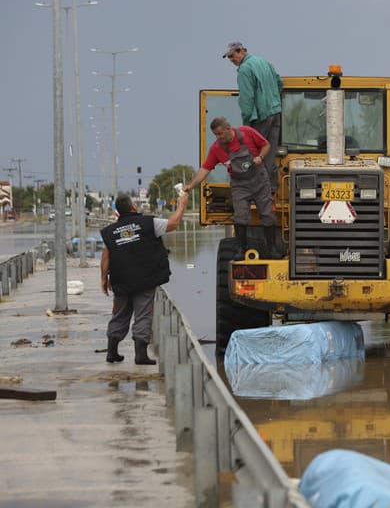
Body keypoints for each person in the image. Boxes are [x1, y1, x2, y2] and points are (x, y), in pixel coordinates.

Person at [100, 192, 189, 365]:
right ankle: (140, 355)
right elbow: (174, 223)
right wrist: (181, 205)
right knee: (143, 315)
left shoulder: (110, 232)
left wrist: (104, 278)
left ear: (118, 211)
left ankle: (112, 352)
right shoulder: (149, 223)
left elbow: (105, 257)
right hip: (145, 279)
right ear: (133, 207)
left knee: (119, 314)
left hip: (121, 280)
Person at [183, 116, 279, 258]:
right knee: (240, 216)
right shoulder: (216, 148)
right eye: (215, 134)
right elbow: (205, 169)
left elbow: (266, 145)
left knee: (267, 214)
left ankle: (272, 250)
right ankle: (241, 250)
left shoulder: (247, 132)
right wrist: (191, 186)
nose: (218, 137)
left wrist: (260, 157)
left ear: (229, 129)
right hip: (239, 185)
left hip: (259, 180)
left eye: (220, 133)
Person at [223, 41, 283, 186]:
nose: (231, 60)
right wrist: (273, 99)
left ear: (241, 51)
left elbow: (246, 99)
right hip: (275, 113)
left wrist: (246, 124)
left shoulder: (245, 69)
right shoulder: (264, 62)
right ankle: (271, 190)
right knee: (269, 154)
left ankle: (254, 190)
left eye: (232, 56)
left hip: (260, 117)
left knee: (252, 154)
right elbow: (279, 83)